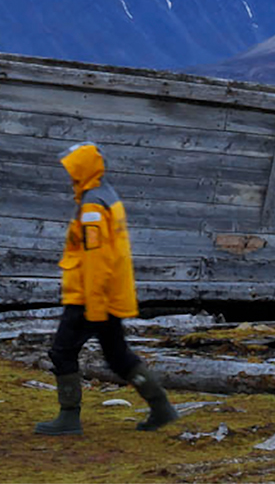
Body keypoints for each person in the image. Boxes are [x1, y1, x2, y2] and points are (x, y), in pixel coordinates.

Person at [33, 141, 179, 436]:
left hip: (90, 296)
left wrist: (95, 307)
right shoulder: (106, 195)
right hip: (107, 293)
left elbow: (97, 260)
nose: (69, 174)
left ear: (81, 170)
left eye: (72, 169)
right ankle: (161, 406)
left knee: (62, 352)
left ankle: (68, 418)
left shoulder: (91, 207)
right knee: (117, 355)